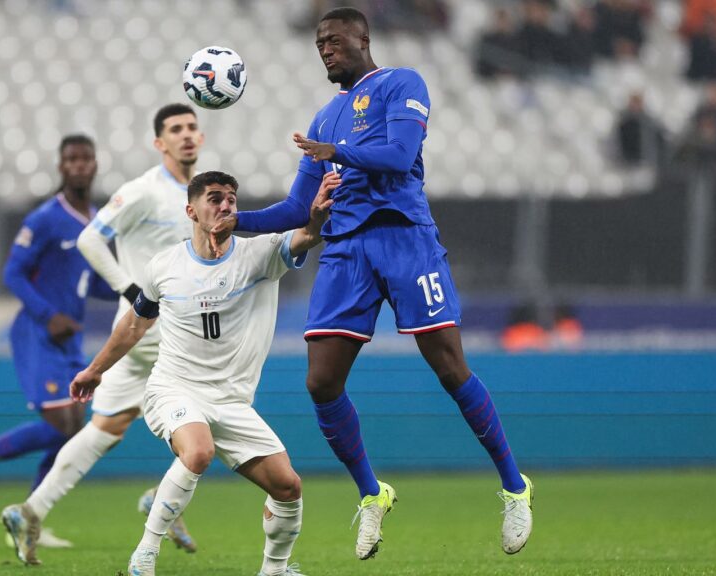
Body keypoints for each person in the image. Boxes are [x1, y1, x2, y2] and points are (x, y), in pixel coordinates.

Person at [211, 7, 534, 559]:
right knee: (320, 383)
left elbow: (400, 154)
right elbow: (296, 208)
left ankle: (514, 485)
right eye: (319, 44)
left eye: (334, 40)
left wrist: (338, 153)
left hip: (404, 238)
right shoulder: (323, 119)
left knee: (451, 368)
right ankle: (371, 493)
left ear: (363, 38)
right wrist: (233, 222)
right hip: (345, 251)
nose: (325, 50)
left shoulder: (401, 83)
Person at [13, 170, 334, 576]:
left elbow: (305, 237)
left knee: (288, 487)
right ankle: (144, 556)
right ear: (191, 210)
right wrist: (95, 370)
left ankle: (275, 569)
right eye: (214, 198)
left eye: (231, 198)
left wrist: (318, 218)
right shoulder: (165, 266)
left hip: (231, 401)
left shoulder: (259, 254)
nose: (225, 205)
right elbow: (134, 324)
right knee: (199, 451)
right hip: (175, 389)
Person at [0, 104, 203, 565]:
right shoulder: (145, 191)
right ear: (160, 142)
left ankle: (31, 510)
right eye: (176, 129)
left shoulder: (199, 189)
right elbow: (92, 238)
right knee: (214, 419)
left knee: (104, 428)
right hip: (163, 329)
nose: (186, 135)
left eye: (192, 127)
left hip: (138, 333)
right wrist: (129, 289)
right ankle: (163, 501)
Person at [0, 135, 115, 548]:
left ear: (95, 164)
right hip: (39, 332)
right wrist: (47, 315)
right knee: (62, 424)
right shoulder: (45, 218)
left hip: (68, 337)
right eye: (71, 158)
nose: (79, 165)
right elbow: (13, 273)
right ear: (60, 166)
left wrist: (132, 290)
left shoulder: (96, 220)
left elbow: (91, 282)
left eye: (86, 158)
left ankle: (30, 517)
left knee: (73, 431)